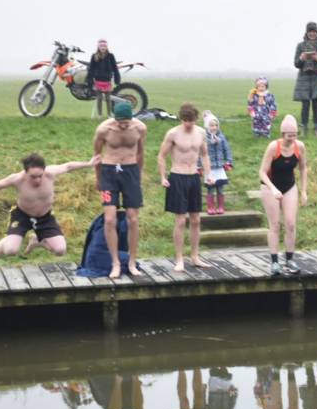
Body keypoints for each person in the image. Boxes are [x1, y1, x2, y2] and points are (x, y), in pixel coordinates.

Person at [0, 152, 100, 258]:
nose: (37, 180)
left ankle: (37, 241)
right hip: (22, 216)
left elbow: (68, 166)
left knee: (60, 250)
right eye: (33, 176)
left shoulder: (50, 173)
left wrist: (88, 163)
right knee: (11, 251)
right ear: (25, 172)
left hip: (45, 217)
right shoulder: (17, 179)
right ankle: (8, 240)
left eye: (40, 176)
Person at [158, 103, 214, 272]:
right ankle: (179, 258)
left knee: (196, 219)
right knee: (181, 220)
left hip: (194, 177)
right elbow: (161, 156)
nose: (188, 123)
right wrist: (163, 177)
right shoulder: (173, 133)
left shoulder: (201, 133)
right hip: (177, 176)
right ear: (182, 119)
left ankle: (195, 256)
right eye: (185, 120)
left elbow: (204, 155)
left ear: (196, 119)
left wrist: (208, 174)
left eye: (191, 120)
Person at [94, 101, 147, 278]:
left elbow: (140, 152)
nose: (123, 125)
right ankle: (115, 263)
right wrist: (98, 178)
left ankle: (131, 262)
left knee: (133, 219)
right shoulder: (103, 129)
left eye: (126, 122)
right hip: (109, 174)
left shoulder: (140, 128)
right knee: (110, 219)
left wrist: (139, 175)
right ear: (114, 119)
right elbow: (97, 155)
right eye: (120, 122)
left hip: (130, 172)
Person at [258, 115, 308, 276]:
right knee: (275, 225)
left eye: (295, 135)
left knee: (291, 224)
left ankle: (289, 260)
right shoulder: (274, 147)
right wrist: (273, 189)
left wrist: (304, 191)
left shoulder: (299, 147)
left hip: (289, 186)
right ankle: (274, 262)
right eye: (289, 136)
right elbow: (262, 172)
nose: (292, 139)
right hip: (269, 186)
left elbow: (303, 169)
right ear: (283, 134)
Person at [293, 22, 317, 136]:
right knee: (305, 105)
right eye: (310, 31)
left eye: (314, 31)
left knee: (316, 104)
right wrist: (302, 58)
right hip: (304, 78)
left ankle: (316, 128)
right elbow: (296, 64)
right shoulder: (300, 46)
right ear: (307, 32)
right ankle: (304, 128)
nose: (312, 34)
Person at [200, 116, 233, 215]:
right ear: (207, 126)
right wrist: (199, 167)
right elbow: (200, 153)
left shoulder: (221, 137)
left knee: (220, 188)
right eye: (211, 125)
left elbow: (227, 150)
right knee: (210, 189)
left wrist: (228, 161)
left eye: (215, 125)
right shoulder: (204, 138)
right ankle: (211, 207)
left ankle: (220, 207)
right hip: (209, 168)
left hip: (219, 166)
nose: (214, 127)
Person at [87, 39, 121, 118]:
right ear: (98, 47)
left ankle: (109, 114)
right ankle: (100, 115)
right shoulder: (94, 56)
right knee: (99, 98)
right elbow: (91, 68)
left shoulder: (111, 56)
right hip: (98, 81)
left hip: (107, 81)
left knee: (108, 98)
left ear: (107, 47)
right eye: (101, 46)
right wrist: (89, 80)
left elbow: (115, 68)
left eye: (104, 46)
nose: (103, 47)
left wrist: (117, 78)